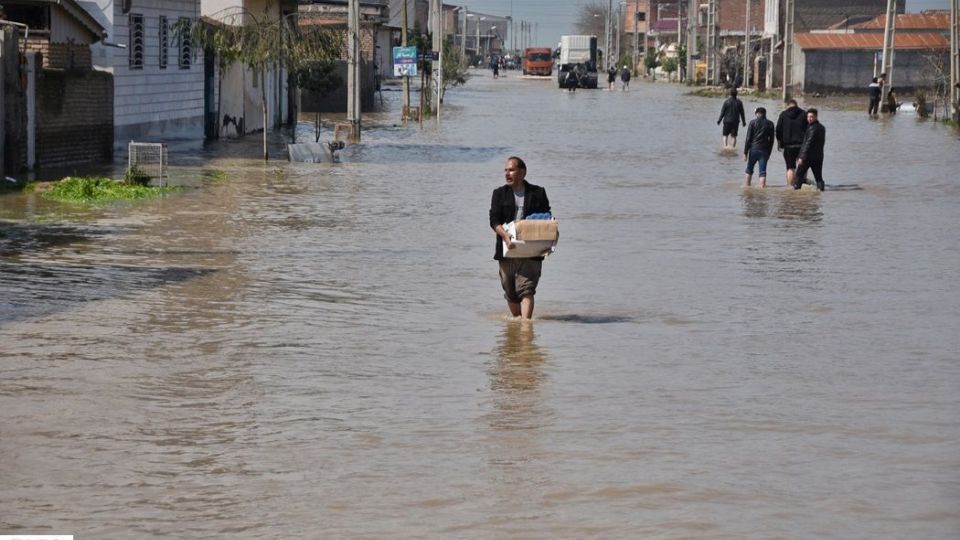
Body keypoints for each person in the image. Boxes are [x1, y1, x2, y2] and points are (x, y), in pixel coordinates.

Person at [489, 157, 551, 320]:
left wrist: (550, 243)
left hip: (531, 250)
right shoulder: (499, 194)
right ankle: (518, 325)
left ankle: (525, 327)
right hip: (507, 248)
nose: (507, 173)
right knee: (511, 293)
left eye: (511, 170)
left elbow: (547, 220)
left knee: (527, 289)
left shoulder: (538, 193)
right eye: (506, 170)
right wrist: (506, 237)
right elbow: (494, 221)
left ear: (522, 172)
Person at [775, 98, 807, 188]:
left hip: (788, 146)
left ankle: (789, 187)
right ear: (796, 105)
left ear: (787, 105)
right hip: (802, 146)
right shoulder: (804, 114)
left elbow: (778, 130)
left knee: (790, 168)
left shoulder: (783, 115)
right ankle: (801, 185)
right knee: (802, 167)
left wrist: (780, 142)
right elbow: (809, 129)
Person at [794, 108, 826, 192]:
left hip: (808, 157)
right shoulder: (822, 128)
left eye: (811, 117)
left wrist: (801, 157)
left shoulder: (812, 128)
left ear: (816, 117)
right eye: (808, 117)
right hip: (819, 156)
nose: (809, 118)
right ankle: (821, 192)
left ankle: (796, 194)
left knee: (798, 175)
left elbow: (808, 143)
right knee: (818, 177)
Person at [743, 107, 775, 188]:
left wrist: (745, 152)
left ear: (758, 114)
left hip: (753, 149)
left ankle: (746, 187)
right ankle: (762, 190)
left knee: (749, 169)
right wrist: (769, 153)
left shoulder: (752, 123)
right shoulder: (770, 123)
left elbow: (748, 138)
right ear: (765, 113)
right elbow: (771, 140)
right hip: (764, 150)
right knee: (762, 171)